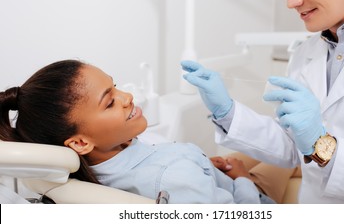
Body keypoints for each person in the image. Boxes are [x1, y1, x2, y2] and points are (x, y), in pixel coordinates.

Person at [181, 0, 344, 203]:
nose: (292, 1)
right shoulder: (307, 52)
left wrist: (324, 148)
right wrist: (228, 113)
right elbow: (293, 147)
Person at [0, 59, 276, 204]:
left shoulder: (91, 168)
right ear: (80, 142)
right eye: (109, 102)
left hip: (210, 176)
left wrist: (202, 166)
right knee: (294, 162)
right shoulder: (174, 173)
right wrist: (243, 182)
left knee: (265, 153)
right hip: (254, 199)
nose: (127, 96)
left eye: (116, 86)